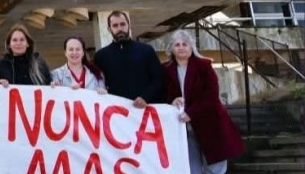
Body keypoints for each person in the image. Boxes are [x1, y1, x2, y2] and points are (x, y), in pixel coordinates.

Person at [164, 30, 245, 174]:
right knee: (190, 169)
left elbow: (212, 94)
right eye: (177, 45)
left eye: (185, 44)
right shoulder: (166, 69)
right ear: (171, 48)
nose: (181, 47)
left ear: (191, 47)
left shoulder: (204, 66)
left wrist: (191, 113)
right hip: (183, 127)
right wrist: (171, 101)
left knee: (215, 169)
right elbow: (162, 93)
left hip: (210, 123)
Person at [93, 10, 163, 108]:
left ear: (129, 25)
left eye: (123, 24)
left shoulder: (146, 50)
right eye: (115, 25)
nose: (120, 28)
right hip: (115, 111)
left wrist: (145, 97)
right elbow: (96, 83)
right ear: (109, 29)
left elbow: (158, 79)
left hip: (144, 109)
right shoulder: (101, 56)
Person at [0, 23, 51, 87]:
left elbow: (49, 85)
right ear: (9, 45)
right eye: (14, 40)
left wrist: (54, 86)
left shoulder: (40, 65)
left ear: (28, 44)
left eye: (22, 40)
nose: (18, 43)